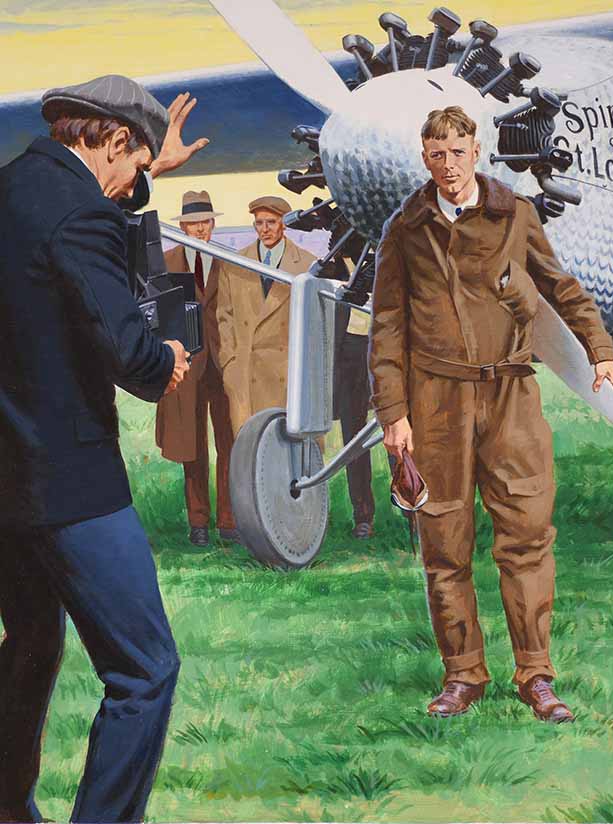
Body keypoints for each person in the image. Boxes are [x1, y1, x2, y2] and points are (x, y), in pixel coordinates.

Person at [369, 106, 613, 722]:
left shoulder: (515, 214)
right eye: (436, 155)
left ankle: (537, 676)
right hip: (435, 404)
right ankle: (463, 675)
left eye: (457, 152)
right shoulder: (406, 228)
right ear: (425, 158)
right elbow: (388, 325)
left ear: (476, 152)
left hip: (511, 398)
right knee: (444, 546)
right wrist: (393, 413)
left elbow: (561, 286)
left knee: (527, 537)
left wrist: (601, 350)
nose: (448, 166)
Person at [0, 74, 207, 823]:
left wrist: (147, 171)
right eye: (136, 165)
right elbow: (129, 352)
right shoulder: (83, 214)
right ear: (114, 139)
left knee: (31, 637)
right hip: (67, 478)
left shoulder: (13, 188)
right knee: (147, 670)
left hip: (5, 477)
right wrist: (166, 360)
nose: (132, 186)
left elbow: (90, 213)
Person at [155, 190, 240, 547]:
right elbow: (156, 317)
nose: (200, 229)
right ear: (183, 227)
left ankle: (230, 521)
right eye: (193, 223)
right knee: (191, 445)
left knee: (230, 443)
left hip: (224, 365)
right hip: (187, 367)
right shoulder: (166, 262)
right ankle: (198, 522)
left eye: (205, 222)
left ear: (212, 224)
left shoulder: (229, 262)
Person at [216, 196, 317, 436]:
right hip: (245, 375)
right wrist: (230, 363)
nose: (265, 229)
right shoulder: (235, 263)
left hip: (288, 375)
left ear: (284, 223)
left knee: (288, 446)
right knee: (252, 447)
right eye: (259, 223)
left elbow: (314, 322)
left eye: (271, 222)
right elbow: (224, 317)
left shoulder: (308, 265)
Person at [333, 299, 376, 539]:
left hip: (387, 342)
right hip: (349, 346)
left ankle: (412, 511)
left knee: (397, 429)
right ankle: (363, 516)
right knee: (353, 437)